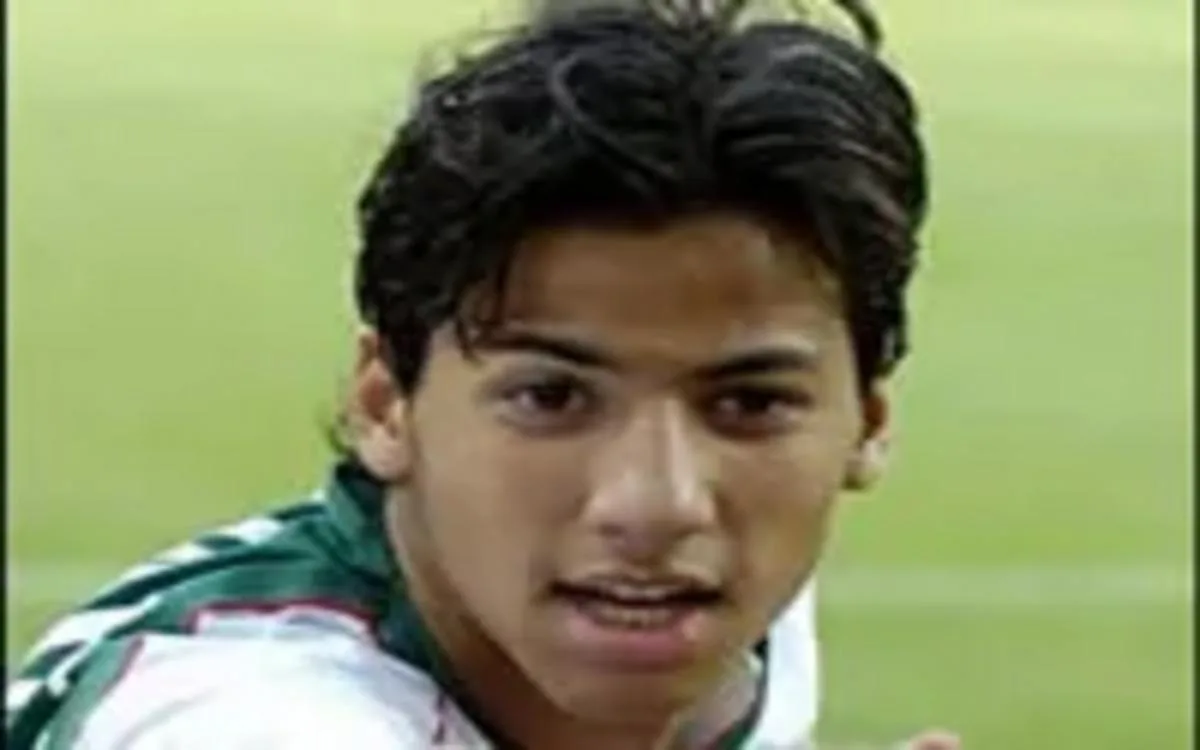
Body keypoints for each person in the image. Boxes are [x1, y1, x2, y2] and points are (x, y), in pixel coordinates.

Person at [7, 0, 957, 747]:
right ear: (387, 404)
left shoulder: (723, 612)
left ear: (866, 421)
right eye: (551, 397)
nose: (658, 502)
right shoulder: (246, 713)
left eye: (749, 403)